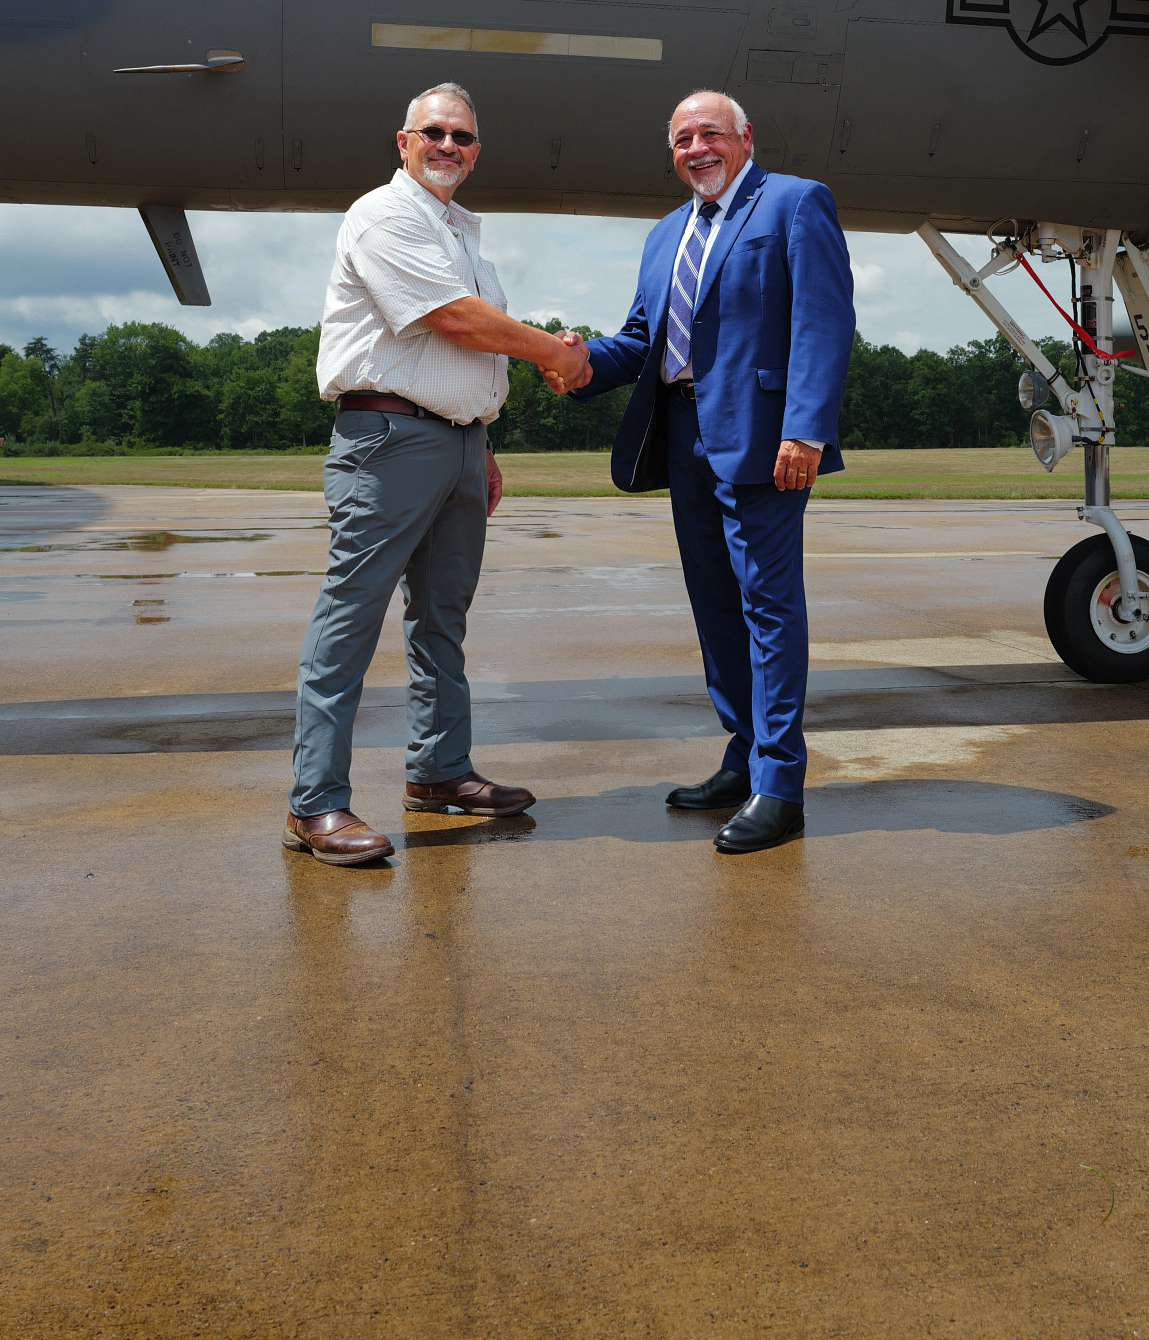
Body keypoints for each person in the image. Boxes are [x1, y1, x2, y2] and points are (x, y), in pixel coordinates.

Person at [284, 81, 590, 866]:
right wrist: (553, 353)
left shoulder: (462, 238)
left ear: (475, 149)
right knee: (349, 619)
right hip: (388, 438)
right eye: (434, 133)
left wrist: (479, 440)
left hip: (454, 445)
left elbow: (469, 347)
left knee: (441, 620)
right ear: (403, 142)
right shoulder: (382, 215)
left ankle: (439, 773)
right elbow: (451, 319)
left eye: (461, 136)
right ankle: (314, 804)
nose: (447, 146)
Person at [547, 90, 855, 854]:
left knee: (768, 609)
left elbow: (823, 319)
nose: (696, 149)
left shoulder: (793, 203)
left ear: (745, 138)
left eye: (709, 134)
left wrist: (806, 429)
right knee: (715, 609)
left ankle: (780, 783)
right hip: (682, 433)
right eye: (682, 139)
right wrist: (575, 359)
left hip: (764, 437)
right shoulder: (663, 235)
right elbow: (644, 341)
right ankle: (741, 755)